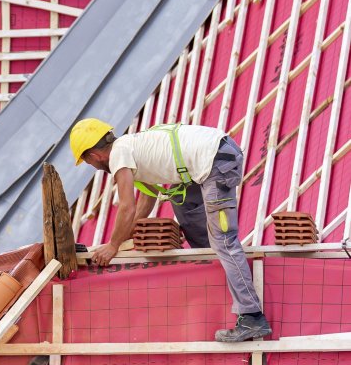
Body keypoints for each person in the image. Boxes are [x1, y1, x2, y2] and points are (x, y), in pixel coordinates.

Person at [69, 118, 272, 342]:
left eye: (88, 162)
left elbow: (127, 207)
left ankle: (252, 316)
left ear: (93, 155)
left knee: (224, 241)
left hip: (215, 162)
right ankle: (211, 262)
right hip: (216, 155)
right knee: (179, 197)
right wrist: (122, 240)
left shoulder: (119, 155)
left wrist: (113, 245)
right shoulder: (134, 149)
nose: (93, 167)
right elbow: (147, 200)